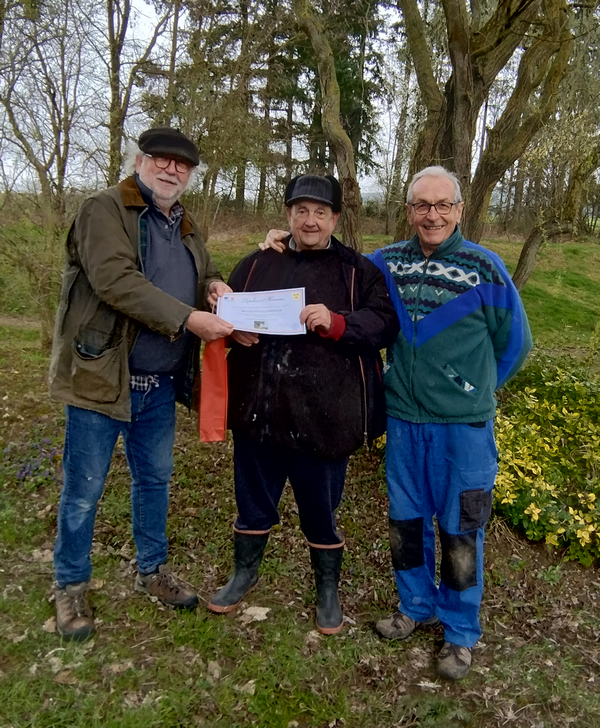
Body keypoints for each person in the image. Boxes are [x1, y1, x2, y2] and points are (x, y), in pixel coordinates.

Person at [261, 166, 532, 678]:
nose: (433, 215)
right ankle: (415, 605)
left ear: (459, 210)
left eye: (443, 205)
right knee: (406, 522)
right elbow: (334, 266)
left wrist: (473, 388)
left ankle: (459, 631)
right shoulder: (384, 264)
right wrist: (283, 242)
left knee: (461, 529)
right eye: (422, 205)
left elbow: (515, 344)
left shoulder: (486, 267)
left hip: (464, 428)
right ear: (409, 211)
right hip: (404, 419)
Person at [49, 127, 233, 641]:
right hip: (103, 377)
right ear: (138, 161)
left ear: (190, 175)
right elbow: (115, 281)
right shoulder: (103, 209)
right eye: (161, 159)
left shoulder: (185, 222)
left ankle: (151, 570)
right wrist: (190, 319)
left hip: (160, 383)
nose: (171, 169)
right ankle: (70, 584)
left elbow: (202, 272)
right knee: (84, 488)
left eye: (182, 164)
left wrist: (214, 286)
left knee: (154, 480)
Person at [207, 174, 399, 635]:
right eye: (301, 211)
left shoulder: (357, 272)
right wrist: (230, 325)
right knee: (253, 501)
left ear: (335, 218)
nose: (309, 221)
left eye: (320, 212)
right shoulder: (256, 263)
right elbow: (224, 314)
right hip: (259, 412)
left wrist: (337, 322)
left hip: (325, 416)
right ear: (288, 215)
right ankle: (244, 573)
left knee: (321, 510)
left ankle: (327, 588)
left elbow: (384, 323)